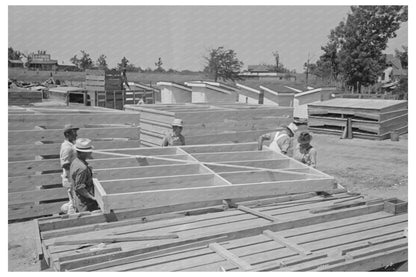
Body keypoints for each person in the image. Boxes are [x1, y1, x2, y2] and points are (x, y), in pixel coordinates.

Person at [69, 138, 99, 212]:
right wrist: (92, 197)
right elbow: (79, 187)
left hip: (79, 199)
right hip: (85, 203)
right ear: (83, 153)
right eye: (89, 152)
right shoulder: (82, 168)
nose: (90, 153)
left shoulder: (76, 161)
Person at [59, 124, 79, 214]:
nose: (76, 135)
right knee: (73, 203)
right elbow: (65, 164)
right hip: (70, 178)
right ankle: (68, 214)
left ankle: (67, 212)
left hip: (72, 177)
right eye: (74, 133)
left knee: (74, 201)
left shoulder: (71, 145)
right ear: (67, 134)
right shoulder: (67, 147)